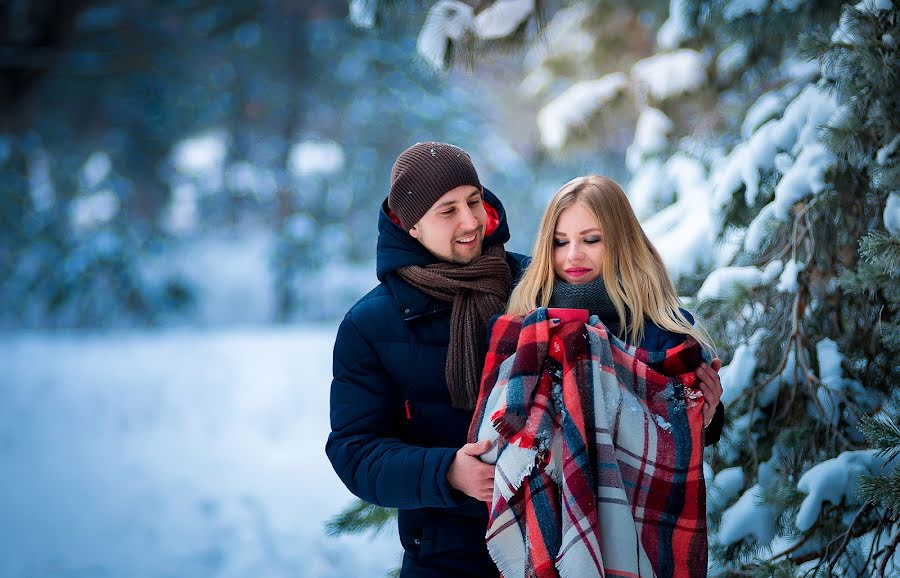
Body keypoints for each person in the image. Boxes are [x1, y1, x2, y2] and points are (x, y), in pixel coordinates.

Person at [326, 142, 530, 577]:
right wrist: (447, 472)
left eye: (474, 201)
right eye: (447, 210)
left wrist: (691, 392)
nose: (470, 220)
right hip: (447, 559)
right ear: (410, 226)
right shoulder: (371, 326)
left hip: (556, 547)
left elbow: (634, 333)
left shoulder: (534, 286)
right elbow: (355, 450)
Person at [506, 174, 724, 434]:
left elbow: (681, 440)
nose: (573, 255)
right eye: (560, 242)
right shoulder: (525, 321)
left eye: (591, 239)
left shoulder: (666, 331)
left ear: (621, 242)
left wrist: (706, 417)